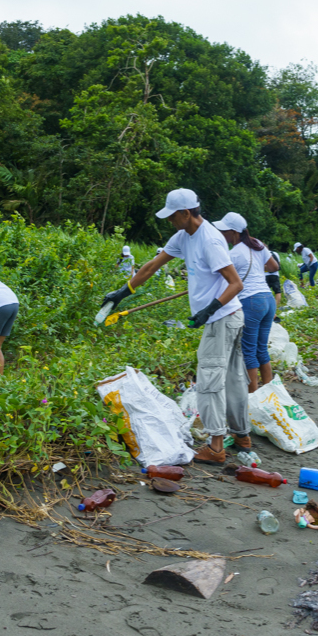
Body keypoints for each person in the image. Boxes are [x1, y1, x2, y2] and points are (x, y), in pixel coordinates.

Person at [102, 189, 249, 465]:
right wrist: (123, 291)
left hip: (223, 318)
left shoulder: (210, 240)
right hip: (227, 317)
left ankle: (217, 447)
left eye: (172, 216)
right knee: (233, 378)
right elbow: (152, 265)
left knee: (209, 380)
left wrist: (210, 309)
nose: (169, 221)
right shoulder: (183, 236)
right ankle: (242, 436)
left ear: (186, 213)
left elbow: (235, 283)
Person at [214, 213, 278, 393]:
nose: (222, 234)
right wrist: (258, 268)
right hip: (268, 299)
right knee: (261, 348)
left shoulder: (233, 254)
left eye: (224, 231)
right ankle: (270, 393)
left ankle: (254, 396)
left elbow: (223, 280)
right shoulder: (258, 244)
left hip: (252, 301)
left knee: (248, 351)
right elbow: (274, 267)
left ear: (234, 232)